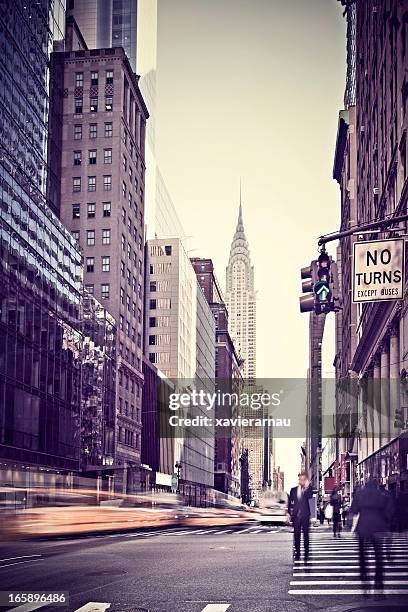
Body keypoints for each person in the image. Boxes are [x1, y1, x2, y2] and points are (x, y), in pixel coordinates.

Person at [350, 478, 388, 597]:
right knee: (379, 558)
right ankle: (379, 585)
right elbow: (388, 512)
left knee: (363, 556)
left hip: (363, 527)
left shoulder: (360, 494)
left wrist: (351, 527)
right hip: (377, 528)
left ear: (365, 485)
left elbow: (354, 510)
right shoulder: (381, 494)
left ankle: (365, 579)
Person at [288, 472, 313, 563]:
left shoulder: (307, 490)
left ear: (305, 480)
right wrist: (289, 514)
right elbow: (290, 504)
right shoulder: (293, 490)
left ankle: (306, 553)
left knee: (306, 535)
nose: (301, 481)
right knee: (296, 535)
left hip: (305, 516)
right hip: (296, 516)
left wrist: (307, 486)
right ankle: (298, 553)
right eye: (300, 479)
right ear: (298, 480)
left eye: (303, 479)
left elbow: (310, 496)